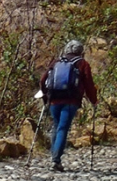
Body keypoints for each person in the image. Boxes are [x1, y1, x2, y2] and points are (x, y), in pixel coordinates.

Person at [39, 39, 99, 172]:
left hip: (54, 100)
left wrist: (45, 96)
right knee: (63, 128)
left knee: (56, 126)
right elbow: (89, 84)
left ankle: (54, 157)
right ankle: (56, 160)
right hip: (71, 101)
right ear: (80, 51)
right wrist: (93, 100)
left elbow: (43, 80)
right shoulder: (82, 64)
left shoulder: (56, 62)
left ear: (66, 49)